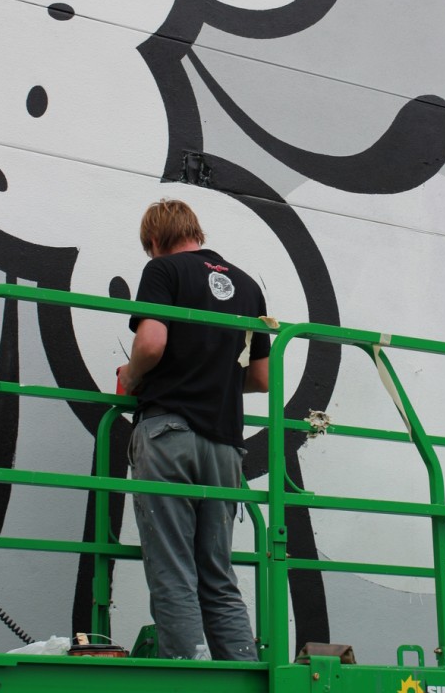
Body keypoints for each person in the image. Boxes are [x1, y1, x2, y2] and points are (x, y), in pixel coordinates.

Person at [117, 198, 270, 661]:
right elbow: (262, 378)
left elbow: (151, 342)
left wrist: (131, 377)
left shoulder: (164, 271)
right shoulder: (246, 285)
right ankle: (241, 668)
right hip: (224, 446)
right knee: (217, 575)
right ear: (196, 232)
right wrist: (213, 374)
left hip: (168, 434)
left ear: (155, 241)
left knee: (172, 571)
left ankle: (184, 675)